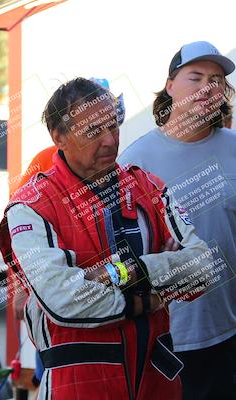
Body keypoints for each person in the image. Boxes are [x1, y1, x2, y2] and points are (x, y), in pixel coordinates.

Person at [0, 77, 212, 400]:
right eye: (93, 131)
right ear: (59, 137)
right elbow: (64, 298)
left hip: (156, 383)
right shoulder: (30, 205)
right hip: (79, 385)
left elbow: (202, 265)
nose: (110, 141)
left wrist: (125, 272)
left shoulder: (146, 185)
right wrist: (149, 297)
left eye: (114, 126)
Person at [119, 41, 236, 400]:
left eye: (216, 80)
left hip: (229, 333)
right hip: (164, 336)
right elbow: (119, 247)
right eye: (195, 77)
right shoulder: (136, 160)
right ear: (170, 87)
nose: (207, 88)